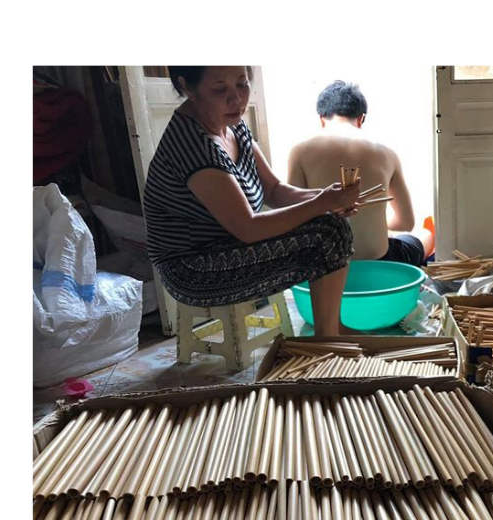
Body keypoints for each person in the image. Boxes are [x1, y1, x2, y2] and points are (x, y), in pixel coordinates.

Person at [143, 66, 362, 336]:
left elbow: (275, 190)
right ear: (188, 88)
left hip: (228, 246)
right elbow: (248, 228)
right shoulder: (192, 146)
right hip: (192, 268)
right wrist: (322, 203)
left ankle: (331, 329)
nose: (236, 98)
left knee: (330, 224)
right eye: (220, 89)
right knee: (328, 232)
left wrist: (328, 197)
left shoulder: (231, 125)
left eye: (242, 84)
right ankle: (328, 337)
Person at [287, 80, 434, 267]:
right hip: (380, 262)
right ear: (361, 118)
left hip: (323, 266)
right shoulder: (386, 153)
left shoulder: (300, 151)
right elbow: (406, 222)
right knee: (425, 234)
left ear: (321, 119)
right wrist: (374, 224)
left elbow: (291, 216)